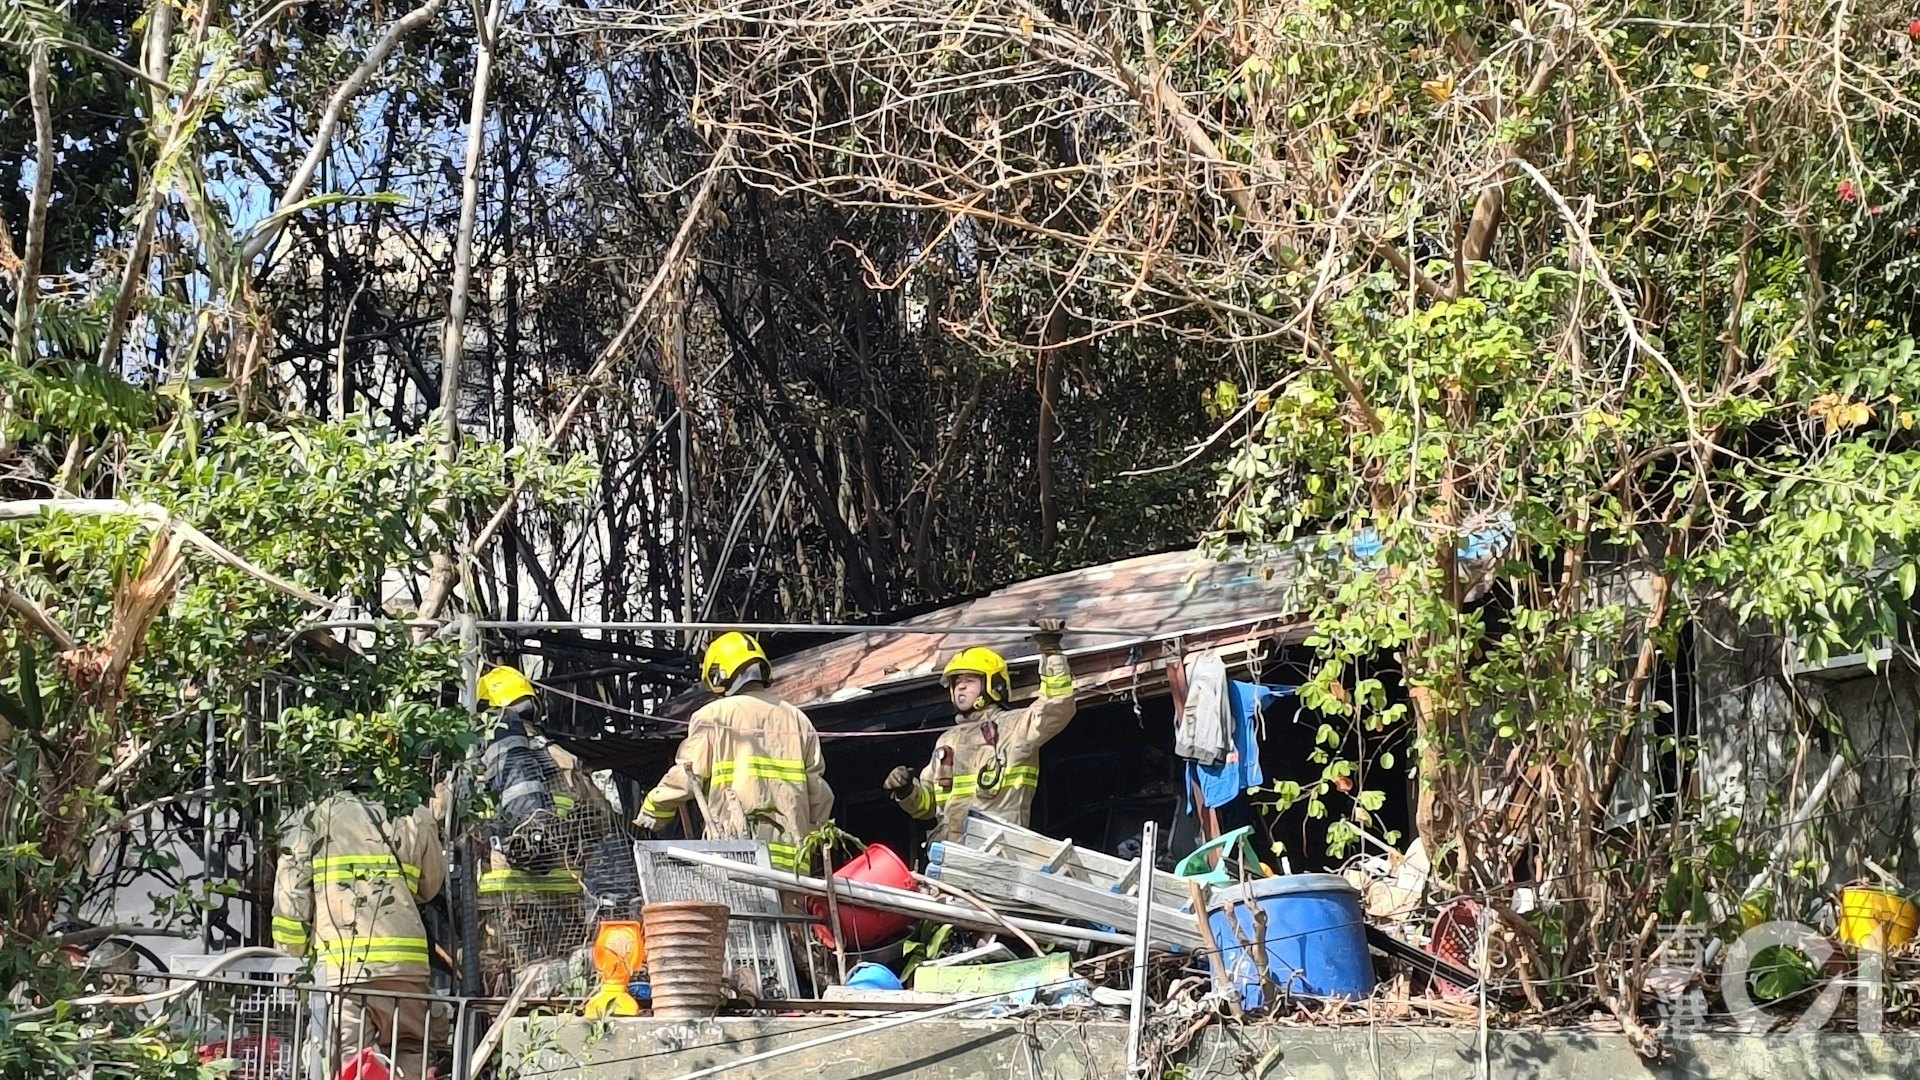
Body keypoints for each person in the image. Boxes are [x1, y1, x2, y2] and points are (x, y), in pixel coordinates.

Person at [274, 782, 445, 1079]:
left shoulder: (312, 818)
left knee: (346, 1064)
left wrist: (292, 957)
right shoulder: (414, 813)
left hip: (344, 971)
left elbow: (292, 899)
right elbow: (430, 887)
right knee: (413, 1049)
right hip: (407, 968)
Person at [635, 632, 833, 873]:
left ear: (719, 674)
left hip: (737, 854)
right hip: (793, 863)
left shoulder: (714, 715)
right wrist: (810, 838)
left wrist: (652, 810)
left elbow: (687, 775)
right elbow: (819, 794)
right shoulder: (797, 718)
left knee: (736, 911)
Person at [472, 664, 614, 994]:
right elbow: (601, 821)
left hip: (500, 898)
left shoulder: (476, 761)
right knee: (561, 984)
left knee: (503, 984)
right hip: (562, 898)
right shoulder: (563, 758)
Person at [885, 618, 1074, 846]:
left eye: (969, 680)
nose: (961, 687)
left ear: (995, 686)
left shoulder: (1016, 727)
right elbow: (928, 806)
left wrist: (1051, 652)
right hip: (951, 859)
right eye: (956, 682)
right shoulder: (947, 741)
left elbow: (1057, 707)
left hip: (1000, 853)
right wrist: (906, 790)